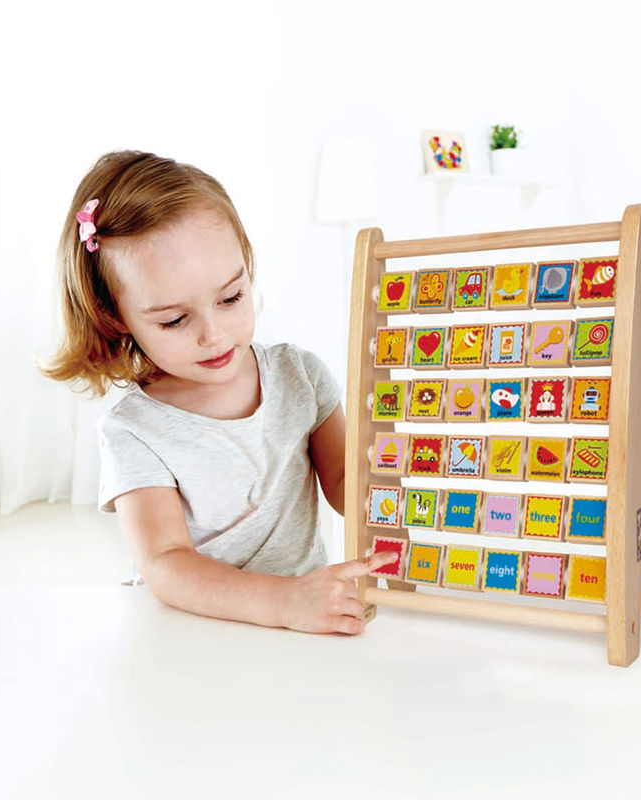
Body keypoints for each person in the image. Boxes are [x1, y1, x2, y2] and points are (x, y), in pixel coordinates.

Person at [41, 150, 396, 635]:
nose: (214, 335)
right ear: (114, 316)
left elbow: (344, 483)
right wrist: (284, 602)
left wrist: (408, 487)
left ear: (247, 268)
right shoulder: (134, 430)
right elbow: (165, 563)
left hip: (304, 619)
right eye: (174, 320)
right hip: (196, 631)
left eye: (230, 297)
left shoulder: (300, 375)